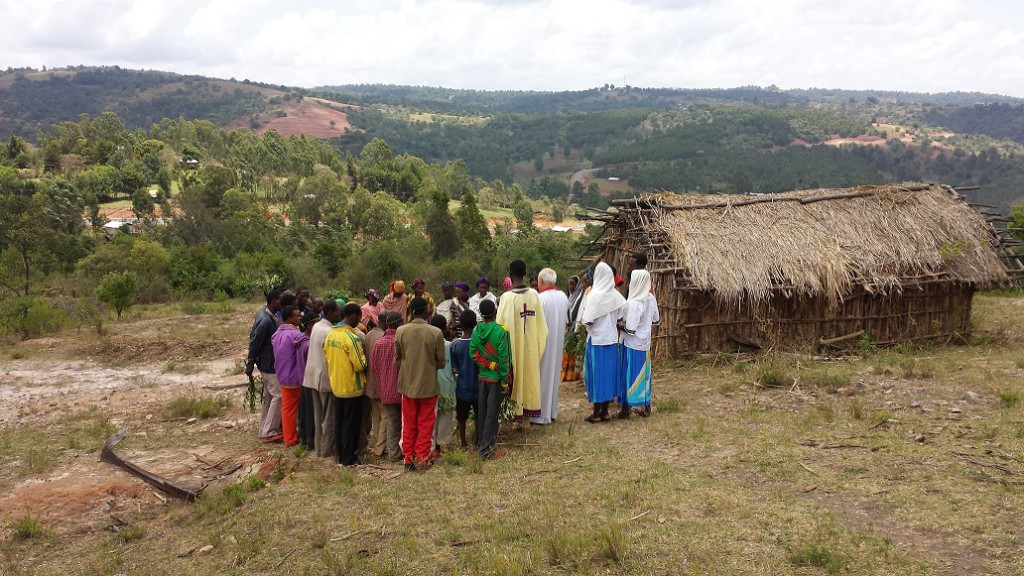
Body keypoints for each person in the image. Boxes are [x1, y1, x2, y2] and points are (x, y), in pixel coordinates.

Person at [395, 297, 446, 471]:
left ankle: (408, 459)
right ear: (426, 312)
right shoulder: (435, 332)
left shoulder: (401, 331)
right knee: (426, 423)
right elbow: (441, 362)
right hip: (428, 385)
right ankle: (423, 457)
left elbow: (397, 359)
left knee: (408, 423)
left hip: (407, 385)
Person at [496, 260, 547, 425]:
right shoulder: (534, 295)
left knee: (515, 378)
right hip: (530, 348)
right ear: (525, 274)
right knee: (528, 376)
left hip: (513, 348)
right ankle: (525, 419)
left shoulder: (506, 298)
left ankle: (513, 417)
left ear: (510, 275)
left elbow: (500, 326)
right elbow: (542, 327)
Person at [581, 262, 626, 423]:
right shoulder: (616, 296)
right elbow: (621, 319)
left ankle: (596, 414)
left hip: (596, 341)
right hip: (612, 341)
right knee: (608, 376)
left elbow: (588, 321)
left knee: (596, 376)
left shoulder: (594, 295)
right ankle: (605, 412)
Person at [324, 303, 368, 466]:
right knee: (351, 424)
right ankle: (349, 458)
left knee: (339, 422)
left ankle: (340, 455)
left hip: (336, 385)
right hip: (352, 387)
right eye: (360, 316)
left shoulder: (330, 335)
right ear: (354, 316)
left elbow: (326, 358)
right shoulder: (352, 338)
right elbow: (360, 365)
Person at [470, 299, 511, 459]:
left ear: (481, 314)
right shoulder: (502, 331)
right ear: (495, 312)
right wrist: (505, 381)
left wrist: (487, 365)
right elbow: (504, 359)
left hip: (482, 377)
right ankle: (486, 450)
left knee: (483, 412)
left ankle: (482, 442)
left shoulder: (476, 330)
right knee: (492, 414)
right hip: (495, 380)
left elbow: (473, 354)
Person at [620, 269, 660, 418]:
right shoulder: (651, 298)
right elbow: (656, 320)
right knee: (645, 375)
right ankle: (646, 406)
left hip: (632, 344)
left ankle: (627, 409)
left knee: (630, 374)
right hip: (645, 343)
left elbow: (630, 329)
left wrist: (618, 326)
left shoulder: (634, 302)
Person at [303, 300, 341, 458]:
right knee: (328, 417)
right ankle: (326, 450)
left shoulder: (317, 326)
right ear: (331, 312)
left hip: (312, 376)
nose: (339, 314)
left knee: (318, 417)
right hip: (325, 379)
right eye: (338, 311)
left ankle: (319, 449)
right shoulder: (329, 331)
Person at [247, 289, 284, 442]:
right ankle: (269, 431)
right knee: (279, 395)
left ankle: (264, 429)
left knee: (269, 397)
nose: (282, 303)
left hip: (269, 362)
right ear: (274, 300)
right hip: (268, 364)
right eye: (280, 300)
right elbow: (254, 341)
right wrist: (250, 362)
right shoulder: (265, 320)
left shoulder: (270, 316)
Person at [534, 268, 568, 425]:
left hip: (542, 345)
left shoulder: (539, 298)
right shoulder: (563, 297)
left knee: (541, 377)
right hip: (558, 342)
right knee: (553, 376)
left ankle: (539, 414)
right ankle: (552, 411)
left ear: (541, 281)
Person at [271, 305, 307, 447]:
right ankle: (296, 437)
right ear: (290, 318)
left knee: (287, 409)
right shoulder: (295, 335)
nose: (300, 318)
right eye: (297, 316)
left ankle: (289, 437)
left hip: (282, 375)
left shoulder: (276, 334)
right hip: (295, 377)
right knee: (298, 409)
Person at [371, 311, 403, 461]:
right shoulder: (400, 341)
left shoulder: (378, 343)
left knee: (391, 420)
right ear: (397, 324)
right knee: (401, 422)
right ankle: (398, 450)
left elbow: (374, 367)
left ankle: (393, 451)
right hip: (401, 388)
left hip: (385, 389)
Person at [450, 309, 479, 449]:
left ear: (460, 325)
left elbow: (454, 368)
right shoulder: (479, 342)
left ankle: (463, 443)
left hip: (462, 387)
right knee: (479, 416)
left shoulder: (455, 345)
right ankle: (477, 441)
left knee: (461, 417)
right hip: (478, 386)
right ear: (475, 324)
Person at [362, 308, 388, 457]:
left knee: (376, 416)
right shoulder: (384, 336)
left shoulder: (369, 334)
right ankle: (380, 447)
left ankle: (377, 443)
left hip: (370, 383)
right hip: (381, 383)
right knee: (385, 416)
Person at [431, 314, 457, 454]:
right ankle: (443, 444)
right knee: (446, 417)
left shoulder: (428, 344)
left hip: (431, 386)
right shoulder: (449, 346)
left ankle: (433, 444)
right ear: (445, 328)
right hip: (447, 386)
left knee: (432, 416)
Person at [297, 310, 319, 451]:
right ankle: (310, 440)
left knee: (304, 411)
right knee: (311, 412)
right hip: (310, 381)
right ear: (310, 325)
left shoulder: (300, 340)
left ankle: (304, 437)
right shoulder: (309, 344)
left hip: (302, 380)